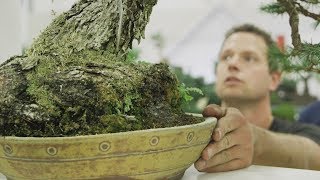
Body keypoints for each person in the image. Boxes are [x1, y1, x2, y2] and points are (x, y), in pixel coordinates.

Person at [194, 24, 320, 172]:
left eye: (249, 58)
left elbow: (313, 154)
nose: (232, 64)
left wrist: (255, 141)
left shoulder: (306, 132)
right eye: (226, 57)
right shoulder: (193, 132)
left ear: (274, 79)